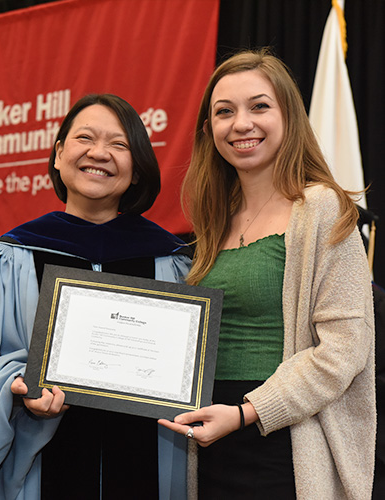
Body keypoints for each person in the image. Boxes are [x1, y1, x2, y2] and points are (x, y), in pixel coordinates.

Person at [0, 93, 192, 499]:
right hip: (36, 470)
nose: (99, 153)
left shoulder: (171, 262)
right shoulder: (10, 257)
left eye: (119, 144)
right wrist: (17, 386)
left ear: (137, 169)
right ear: (58, 154)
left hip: (149, 464)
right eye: (85, 138)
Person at [158, 49, 375, 499]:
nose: (241, 124)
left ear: (289, 117)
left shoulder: (322, 208)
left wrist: (247, 412)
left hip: (285, 446)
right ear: (207, 130)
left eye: (259, 106)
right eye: (224, 112)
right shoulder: (213, 221)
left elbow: (344, 351)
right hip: (210, 442)